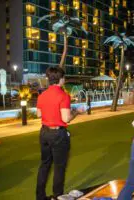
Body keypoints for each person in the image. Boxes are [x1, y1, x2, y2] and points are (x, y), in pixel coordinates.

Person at [36, 67, 84, 200]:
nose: (65, 80)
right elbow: (66, 118)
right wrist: (77, 112)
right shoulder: (63, 95)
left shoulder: (42, 95)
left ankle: (40, 196)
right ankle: (58, 196)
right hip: (58, 135)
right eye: (64, 78)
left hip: (44, 133)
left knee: (44, 164)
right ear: (61, 79)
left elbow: (39, 114)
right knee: (59, 166)